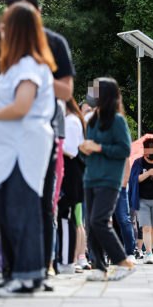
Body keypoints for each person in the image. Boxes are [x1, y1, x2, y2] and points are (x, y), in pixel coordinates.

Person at [0, 1, 55, 296]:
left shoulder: (28, 65)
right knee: (14, 211)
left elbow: (22, 106)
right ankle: (26, 274)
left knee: (21, 211)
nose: (2, 30)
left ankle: (27, 275)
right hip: (11, 149)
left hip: (23, 147)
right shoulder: (17, 64)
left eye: (7, 24)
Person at [5, 0, 75, 289]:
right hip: (5, 135)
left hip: (43, 134)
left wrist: (34, 79)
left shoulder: (54, 42)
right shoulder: (3, 43)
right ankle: (12, 269)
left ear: (39, 12)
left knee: (42, 203)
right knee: (8, 204)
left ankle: (40, 269)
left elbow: (67, 91)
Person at [79, 78, 135, 281]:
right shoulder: (92, 120)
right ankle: (99, 267)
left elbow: (125, 149)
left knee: (99, 220)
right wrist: (85, 149)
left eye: (95, 91)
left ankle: (123, 261)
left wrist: (99, 148)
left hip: (110, 179)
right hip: (90, 178)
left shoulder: (117, 120)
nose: (91, 95)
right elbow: (89, 151)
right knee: (91, 224)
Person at [56, 98, 87, 274]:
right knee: (65, 217)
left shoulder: (72, 121)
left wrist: (53, 145)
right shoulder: (70, 120)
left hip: (71, 172)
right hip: (67, 170)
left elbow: (71, 149)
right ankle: (65, 259)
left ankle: (68, 261)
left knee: (67, 217)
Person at [115, 157, 137, 262]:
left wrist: (124, 183)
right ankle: (101, 254)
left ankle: (130, 253)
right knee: (100, 220)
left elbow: (126, 158)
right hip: (102, 186)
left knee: (124, 219)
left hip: (120, 187)